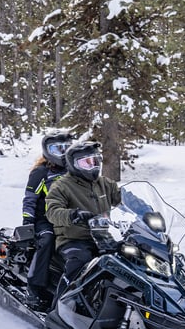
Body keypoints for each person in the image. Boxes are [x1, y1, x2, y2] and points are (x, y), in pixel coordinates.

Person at [45, 140, 122, 299]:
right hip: (73, 239)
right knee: (81, 262)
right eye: (87, 163)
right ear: (74, 165)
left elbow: (124, 199)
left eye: (95, 161)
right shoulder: (62, 186)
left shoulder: (105, 184)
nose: (93, 166)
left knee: (129, 257)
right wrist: (73, 215)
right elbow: (52, 211)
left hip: (102, 237)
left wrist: (145, 211)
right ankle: (59, 306)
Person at [20, 130, 73, 310]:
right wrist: (28, 221)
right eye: (58, 149)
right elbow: (30, 199)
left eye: (67, 148)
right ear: (48, 151)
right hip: (45, 220)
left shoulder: (75, 172)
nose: (63, 153)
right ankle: (33, 287)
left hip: (69, 219)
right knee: (48, 239)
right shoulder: (41, 172)